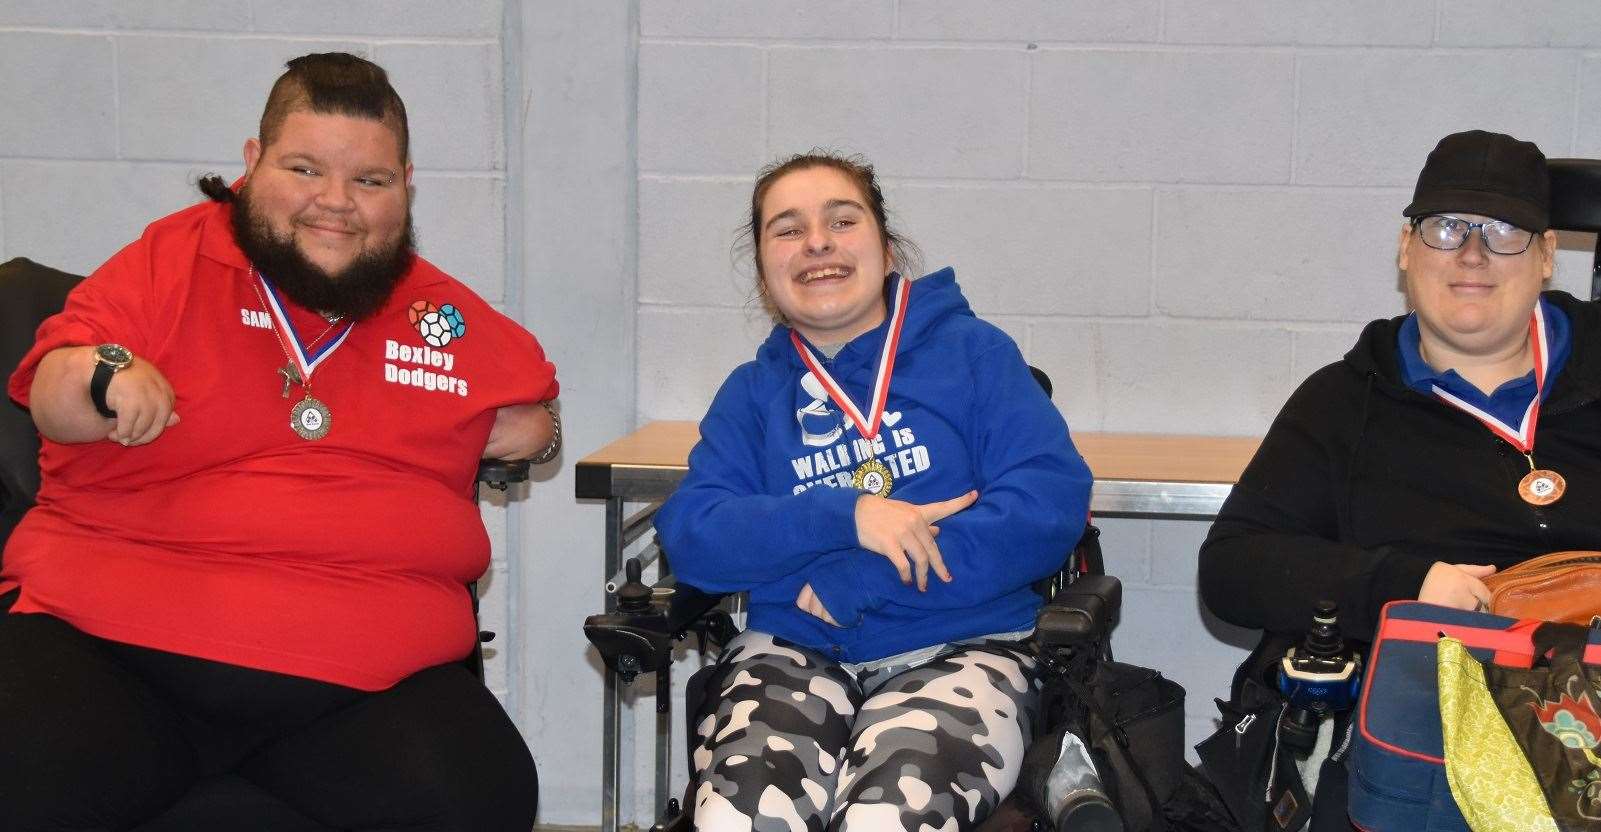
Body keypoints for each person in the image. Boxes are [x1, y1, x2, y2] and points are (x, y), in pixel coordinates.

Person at [0, 53, 556, 831]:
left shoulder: (436, 311)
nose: (336, 204)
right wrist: (109, 374)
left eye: (370, 180)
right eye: (304, 169)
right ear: (254, 164)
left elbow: (532, 408)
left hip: (360, 692)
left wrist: (534, 430)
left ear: (406, 185)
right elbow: (54, 386)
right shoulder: (171, 260)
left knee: (481, 796)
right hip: (113, 655)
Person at [654, 152, 1093, 830]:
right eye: (787, 229)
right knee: (736, 822)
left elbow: (1045, 507)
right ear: (766, 270)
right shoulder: (752, 393)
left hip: (962, 644)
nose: (817, 243)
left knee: (883, 822)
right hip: (793, 649)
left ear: (887, 251)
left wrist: (864, 578)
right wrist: (844, 516)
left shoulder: (974, 355)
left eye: (841, 220)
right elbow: (695, 536)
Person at [1198, 130, 1601, 817]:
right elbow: (1233, 567)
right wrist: (1406, 584)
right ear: (1405, 249)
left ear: (1544, 257)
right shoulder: (1345, 401)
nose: (1471, 254)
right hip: (1429, 728)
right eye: (1445, 229)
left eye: (1502, 231)